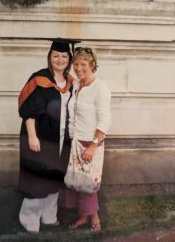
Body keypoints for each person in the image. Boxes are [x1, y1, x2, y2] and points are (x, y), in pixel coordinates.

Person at [18, 38, 78, 233]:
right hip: (40, 138)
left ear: (69, 59)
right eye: (55, 56)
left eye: (63, 56)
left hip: (61, 140)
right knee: (37, 178)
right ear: (49, 57)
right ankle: (29, 218)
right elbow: (28, 110)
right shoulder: (38, 79)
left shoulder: (70, 82)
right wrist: (32, 136)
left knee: (53, 177)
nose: (59, 60)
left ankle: (49, 216)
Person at [64, 46, 111, 232]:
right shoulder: (76, 84)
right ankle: (84, 216)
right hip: (75, 141)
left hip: (90, 143)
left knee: (88, 185)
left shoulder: (100, 88)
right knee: (77, 183)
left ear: (92, 65)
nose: (78, 68)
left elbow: (105, 120)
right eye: (75, 64)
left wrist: (93, 145)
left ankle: (94, 218)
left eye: (83, 64)